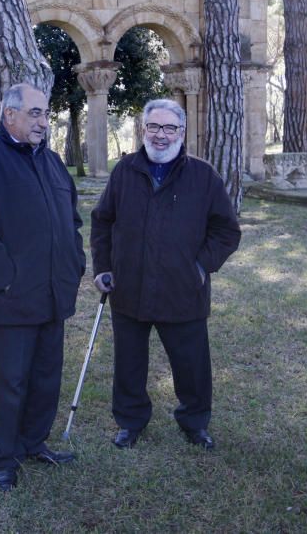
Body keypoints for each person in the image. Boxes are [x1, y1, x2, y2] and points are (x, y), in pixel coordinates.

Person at [0, 82, 86, 492]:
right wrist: (6, 280)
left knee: (47, 376)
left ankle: (34, 443)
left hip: (53, 293)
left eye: (45, 114)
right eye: (34, 113)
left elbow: (72, 220)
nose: (42, 122)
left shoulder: (52, 162)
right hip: (10, 299)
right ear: (8, 115)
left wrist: (74, 263)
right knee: (11, 381)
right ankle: (5, 457)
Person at [90, 98, 241, 451]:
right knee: (129, 363)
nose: (161, 135)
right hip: (129, 286)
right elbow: (103, 221)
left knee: (192, 364)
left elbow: (227, 231)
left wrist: (201, 266)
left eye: (169, 128)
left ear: (182, 132)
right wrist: (103, 267)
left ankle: (194, 421)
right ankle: (130, 421)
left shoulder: (204, 176)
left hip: (183, 290)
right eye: (154, 127)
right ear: (144, 129)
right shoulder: (124, 171)